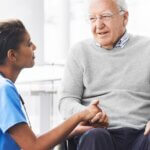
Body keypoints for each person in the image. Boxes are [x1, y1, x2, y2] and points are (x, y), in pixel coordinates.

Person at [0, 19, 105, 150]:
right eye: (28, 43)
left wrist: (75, 129)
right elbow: (33, 146)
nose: (34, 47)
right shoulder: (4, 89)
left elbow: (28, 141)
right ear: (12, 55)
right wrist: (81, 115)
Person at [59, 0, 150, 149]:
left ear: (125, 18)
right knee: (95, 136)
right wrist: (87, 113)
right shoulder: (79, 51)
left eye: (105, 16)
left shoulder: (147, 48)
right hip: (98, 132)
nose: (98, 25)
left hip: (141, 133)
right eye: (92, 18)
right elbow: (66, 100)